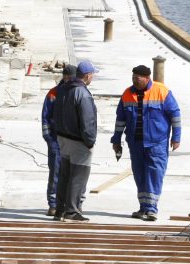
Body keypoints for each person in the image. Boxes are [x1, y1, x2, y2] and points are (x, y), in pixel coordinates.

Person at [111, 64, 181, 221]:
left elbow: (175, 114)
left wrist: (176, 137)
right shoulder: (127, 94)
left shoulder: (162, 92)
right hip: (135, 143)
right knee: (140, 174)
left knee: (154, 174)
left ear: (147, 78)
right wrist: (116, 140)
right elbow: (120, 119)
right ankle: (143, 208)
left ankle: (151, 209)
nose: (135, 80)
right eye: (133, 77)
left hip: (157, 143)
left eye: (138, 78)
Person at [50, 60, 98, 222]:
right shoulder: (82, 93)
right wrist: (90, 141)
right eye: (93, 75)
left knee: (64, 175)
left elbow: (55, 113)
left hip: (63, 138)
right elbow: (88, 120)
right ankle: (72, 211)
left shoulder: (63, 89)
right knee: (78, 176)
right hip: (78, 141)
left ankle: (60, 210)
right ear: (87, 76)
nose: (93, 78)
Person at [42, 63, 76, 217]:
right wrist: (49, 139)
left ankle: (68, 204)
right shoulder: (53, 94)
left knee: (72, 173)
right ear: (64, 76)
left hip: (73, 141)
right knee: (56, 172)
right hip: (56, 140)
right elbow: (45, 118)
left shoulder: (77, 92)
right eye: (68, 77)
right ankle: (54, 204)